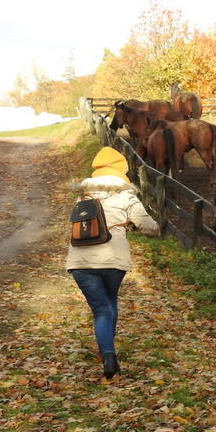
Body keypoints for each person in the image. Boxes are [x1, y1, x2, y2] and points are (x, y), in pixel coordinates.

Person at [66, 147, 160, 379]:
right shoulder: (125, 195)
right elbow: (149, 228)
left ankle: (109, 353)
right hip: (113, 260)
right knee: (108, 305)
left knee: (101, 309)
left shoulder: (83, 195)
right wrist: (153, 229)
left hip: (80, 261)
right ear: (121, 171)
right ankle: (109, 353)